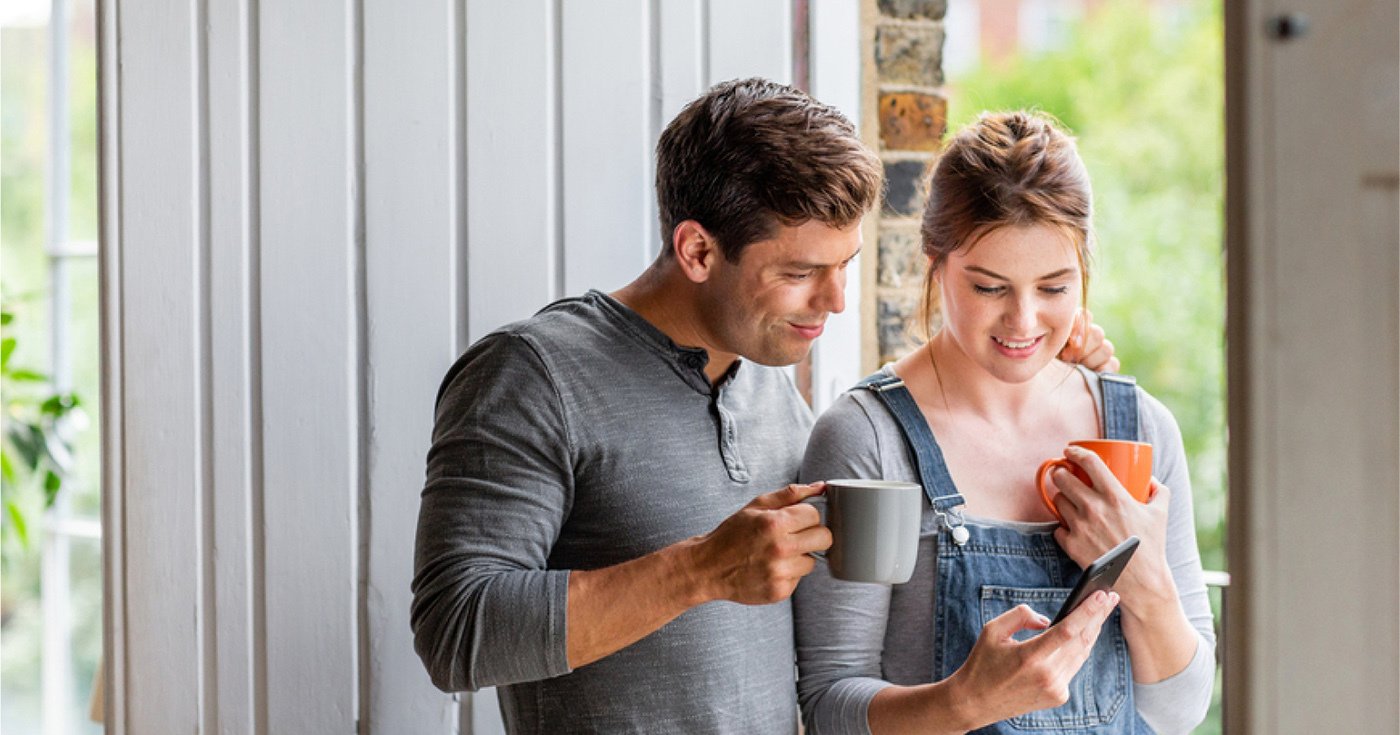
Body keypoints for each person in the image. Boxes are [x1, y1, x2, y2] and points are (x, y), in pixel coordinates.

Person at [411, 80, 1118, 733]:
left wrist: (1046, 370)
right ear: (696, 249)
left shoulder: (768, 378)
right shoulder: (532, 374)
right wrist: (700, 570)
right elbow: (454, 633)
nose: (836, 300)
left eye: (844, 264)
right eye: (799, 272)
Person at [792, 111, 1216, 735]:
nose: (1023, 321)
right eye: (990, 287)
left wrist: (1145, 579)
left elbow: (1177, 714)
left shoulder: (1142, 429)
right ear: (936, 263)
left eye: (1053, 287)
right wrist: (966, 703)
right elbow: (830, 705)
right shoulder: (869, 438)